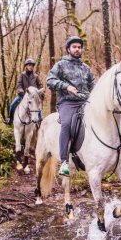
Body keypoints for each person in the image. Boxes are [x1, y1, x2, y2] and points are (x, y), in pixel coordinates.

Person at [46, 36, 95, 177]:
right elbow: (50, 80)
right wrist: (66, 86)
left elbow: (93, 85)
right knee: (66, 124)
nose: (77, 49)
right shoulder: (60, 65)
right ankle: (64, 162)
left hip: (85, 102)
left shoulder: (86, 68)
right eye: (74, 47)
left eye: (79, 47)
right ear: (68, 49)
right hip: (67, 102)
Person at [5, 58, 43, 125]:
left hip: (33, 97)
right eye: (29, 65)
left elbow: (40, 85)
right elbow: (19, 84)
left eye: (32, 66)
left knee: (38, 108)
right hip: (23, 95)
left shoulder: (36, 76)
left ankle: (40, 121)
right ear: (26, 66)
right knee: (12, 105)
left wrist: (40, 92)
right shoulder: (22, 75)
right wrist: (21, 91)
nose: (31, 67)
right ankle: (10, 119)